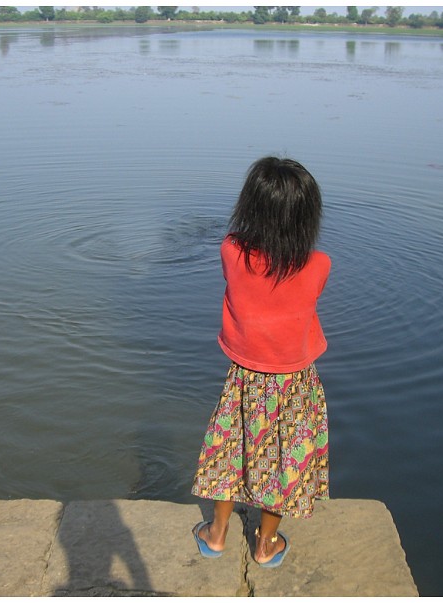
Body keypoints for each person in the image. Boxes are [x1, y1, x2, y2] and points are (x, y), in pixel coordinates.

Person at [191, 156, 331, 569]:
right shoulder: (320, 265)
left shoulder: (231, 252)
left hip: (245, 379)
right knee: (287, 461)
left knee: (229, 451)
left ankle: (216, 535)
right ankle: (265, 544)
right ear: (307, 216)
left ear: (250, 207)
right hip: (296, 384)